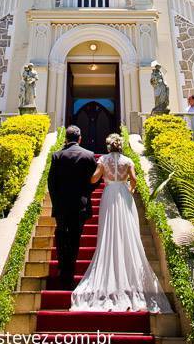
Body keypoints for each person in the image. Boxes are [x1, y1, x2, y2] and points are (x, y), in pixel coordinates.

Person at [70, 132, 171, 313]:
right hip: (124, 195)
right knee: (127, 232)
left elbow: (94, 178)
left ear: (109, 146)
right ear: (121, 145)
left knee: (108, 231)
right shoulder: (127, 161)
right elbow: (134, 179)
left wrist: (95, 177)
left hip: (109, 194)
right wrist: (130, 190)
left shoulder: (103, 160)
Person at [48, 125, 97, 289]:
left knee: (61, 235)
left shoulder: (57, 156)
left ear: (66, 139)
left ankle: (63, 268)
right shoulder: (89, 155)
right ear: (80, 138)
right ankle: (70, 270)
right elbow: (96, 180)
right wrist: (86, 193)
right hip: (80, 206)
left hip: (62, 205)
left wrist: (56, 202)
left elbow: (51, 183)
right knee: (75, 238)